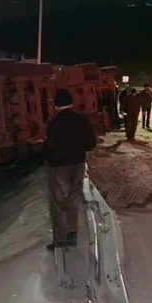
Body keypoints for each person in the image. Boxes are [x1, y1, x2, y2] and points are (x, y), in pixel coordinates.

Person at [45, 88, 96, 250]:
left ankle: (61, 238)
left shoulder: (54, 124)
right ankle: (73, 232)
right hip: (78, 164)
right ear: (71, 103)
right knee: (74, 198)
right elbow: (91, 144)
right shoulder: (82, 120)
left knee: (58, 202)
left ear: (56, 105)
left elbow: (49, 147)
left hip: (59, 166)